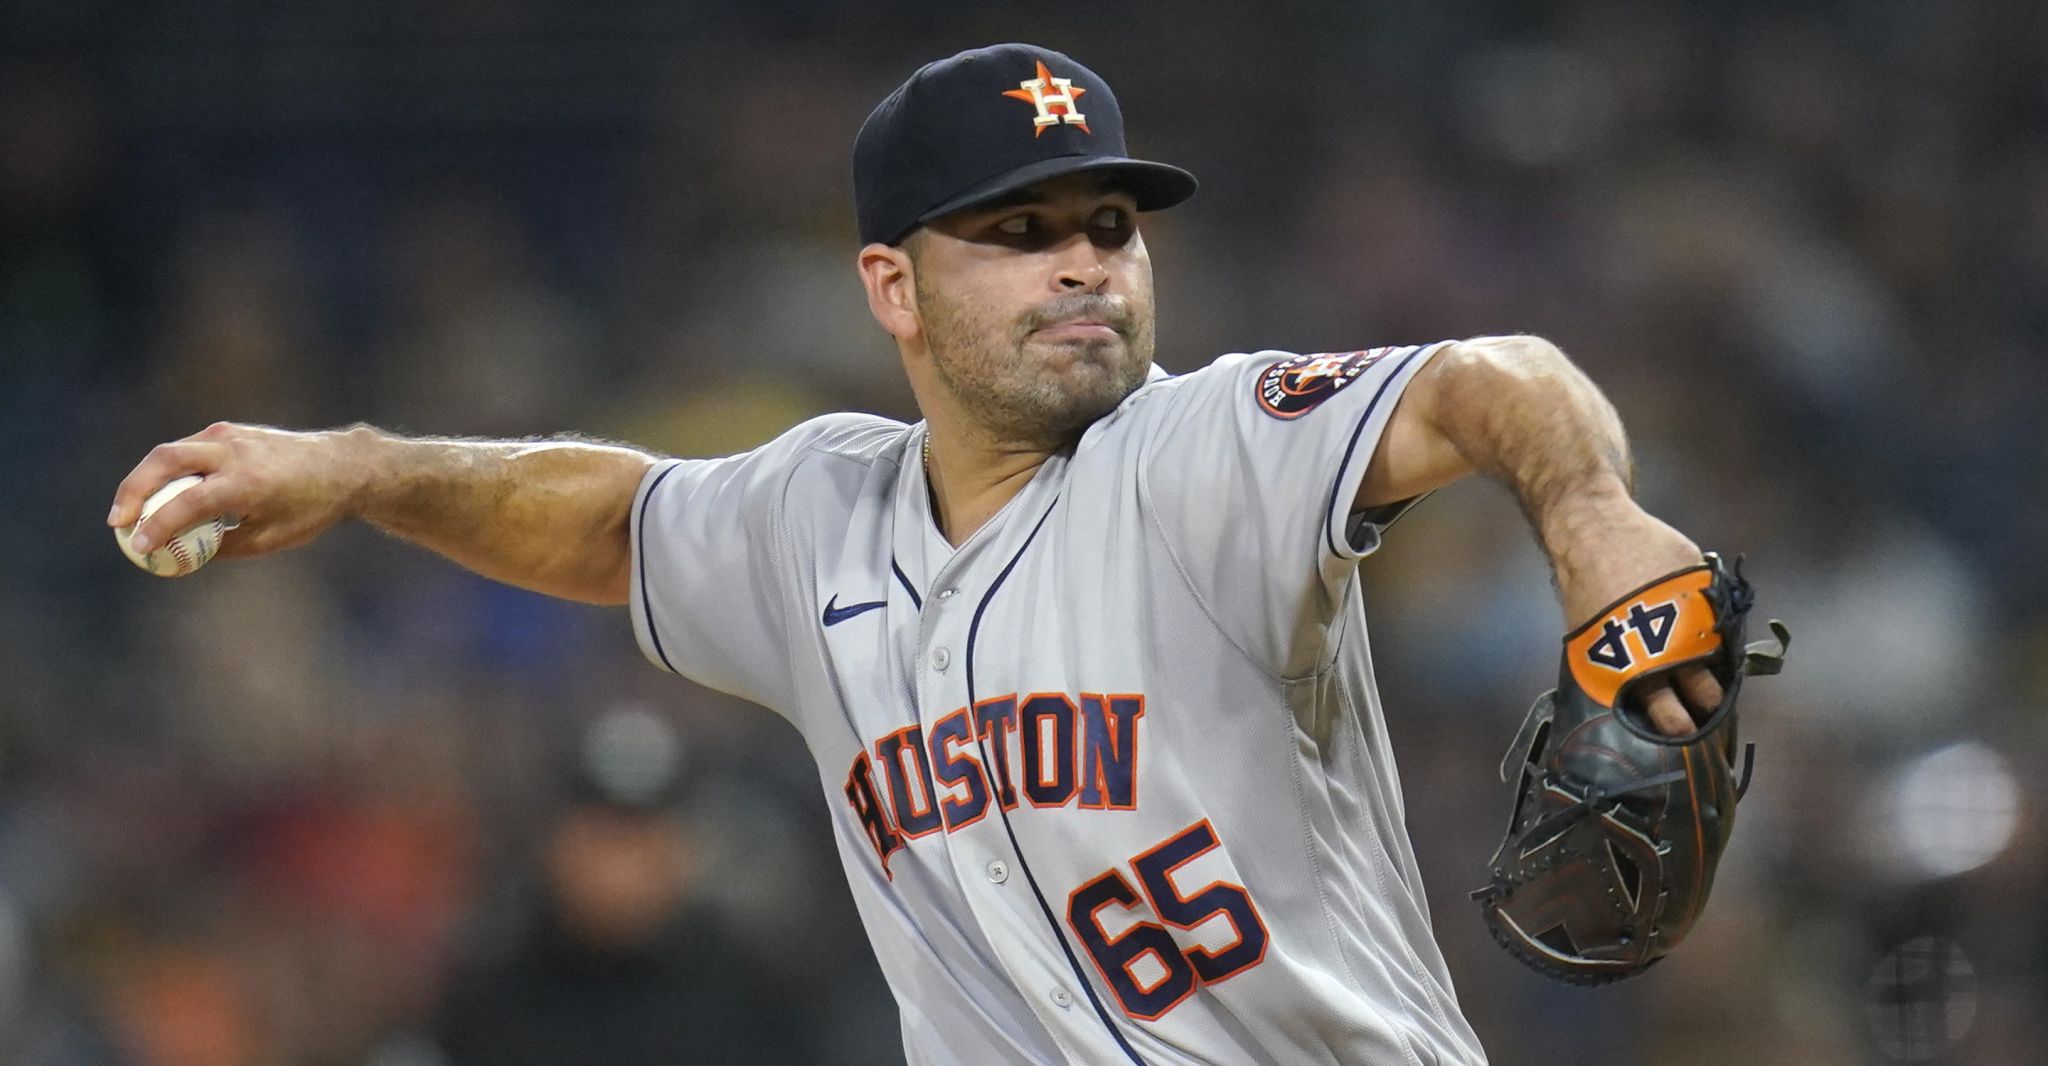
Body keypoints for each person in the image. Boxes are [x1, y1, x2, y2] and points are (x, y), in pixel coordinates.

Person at [112, 43, 1729, 1066]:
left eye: (1108, 226)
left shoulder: (1205, 449)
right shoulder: (819, 513)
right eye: (1019, 235)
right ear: (888, 287)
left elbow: (1484, 380)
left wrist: (1586, 516)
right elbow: (613, 516)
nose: (1083, 266)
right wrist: (363, 466)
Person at [427, 707, 810, 1066]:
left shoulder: (749, 994)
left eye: (640, 836)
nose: (621, 866)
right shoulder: (489, 995)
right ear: (558, 843)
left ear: (683, 849)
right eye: (604, 833)